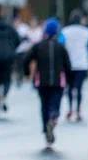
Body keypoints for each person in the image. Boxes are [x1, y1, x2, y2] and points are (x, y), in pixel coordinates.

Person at [28, 18, 72, 147]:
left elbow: (27, 58)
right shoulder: (61, 47)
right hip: (58, 82)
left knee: (44, 105)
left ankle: (45, 127)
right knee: (55, 103)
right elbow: (68, 65)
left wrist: (27, 73)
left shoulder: (38, 46)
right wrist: (69, 80)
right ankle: (53, 117)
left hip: (42, 81)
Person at [61, 10, 88, 122]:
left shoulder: (64, 31)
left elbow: (61, 43)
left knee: (69, 88)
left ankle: (70, 109)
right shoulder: (86, 31)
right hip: (82, 63)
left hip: (69, 63)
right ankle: (78, 110)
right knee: (79, 89)